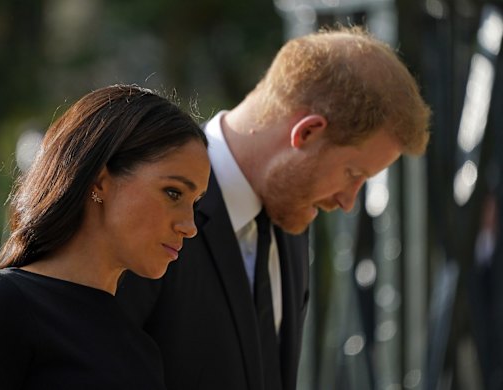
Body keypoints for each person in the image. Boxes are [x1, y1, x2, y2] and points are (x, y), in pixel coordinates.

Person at [116, 26, 431, 390]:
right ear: (307, 133)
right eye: (353, 174)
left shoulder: (290, 212)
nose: (348, 201)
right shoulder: (143, 207)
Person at [0, 84, 211, 389]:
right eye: (173, 193)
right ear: (100, 181)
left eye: (195, 203)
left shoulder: (140, 350)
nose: (190, 225)